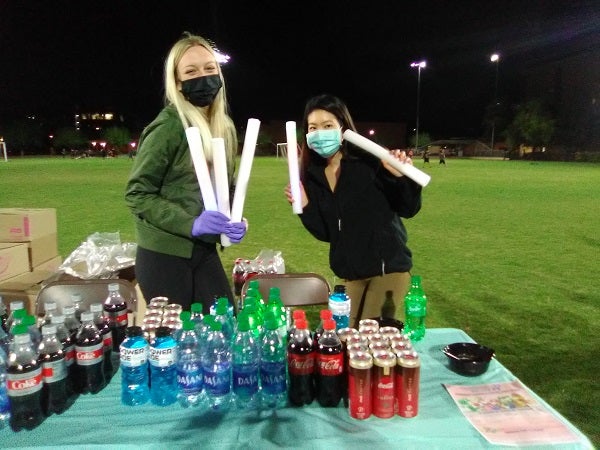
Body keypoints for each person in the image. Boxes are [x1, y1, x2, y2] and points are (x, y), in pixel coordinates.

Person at [125, 33, 247, 313]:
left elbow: (225, 188)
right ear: (178, 83)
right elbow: (137, 193)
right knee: (176, 343)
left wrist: (235, 218)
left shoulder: (224, 127)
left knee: (224, 326)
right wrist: (191, 223)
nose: (202, 77)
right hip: (164, 253)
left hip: (203, 250)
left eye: (209, 68)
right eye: (191, 71)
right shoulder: (169, 127)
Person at [285, 94, 422, 327]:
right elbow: (327, 233)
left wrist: (401, 177)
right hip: (349, 274)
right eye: (313, 127)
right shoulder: (313, 175)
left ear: (343, 128)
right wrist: (305, 206)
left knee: (369, 339)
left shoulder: (369, 162)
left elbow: (409, 208)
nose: (320, 133)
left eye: (328, 125)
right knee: (339, 336)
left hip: (387, 270)